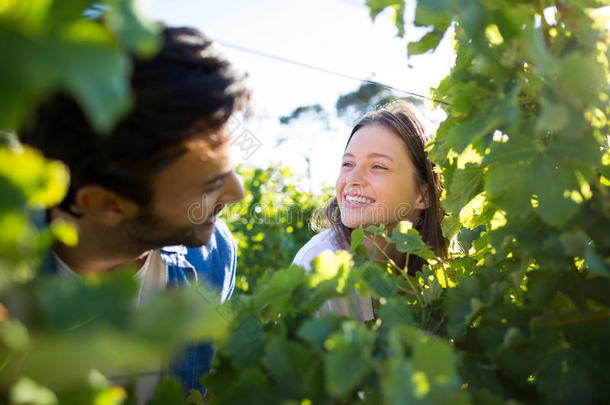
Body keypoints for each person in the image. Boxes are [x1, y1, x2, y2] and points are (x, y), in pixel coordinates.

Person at [20, 25, 248, 398]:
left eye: (230, 170)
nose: (237, 193)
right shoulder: (11, 285)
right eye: (210, 185)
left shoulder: (213, 254)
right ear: (106, 204)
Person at [293, 100, 447, 321]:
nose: (352, 179)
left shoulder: (443, 270)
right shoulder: (318, 266)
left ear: (424, 195)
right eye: (348, 164)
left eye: (378, 166)